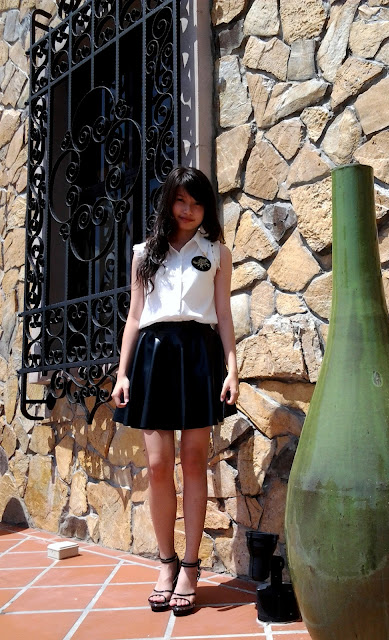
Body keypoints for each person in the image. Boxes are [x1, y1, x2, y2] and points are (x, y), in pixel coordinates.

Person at [112, 166, 239, 616]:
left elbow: (223, 313)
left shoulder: (216, 253)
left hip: (199, 355)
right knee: (158, 464)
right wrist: (122, 373)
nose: (188, 210)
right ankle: (165, 563)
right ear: (168, 201)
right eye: (181, 200)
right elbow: (134, 316)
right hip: (153, 355)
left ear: (206, 209)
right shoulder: (144, 253)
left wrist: (233, 369)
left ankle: (190, 566)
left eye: (197, 203)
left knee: (194, 461)